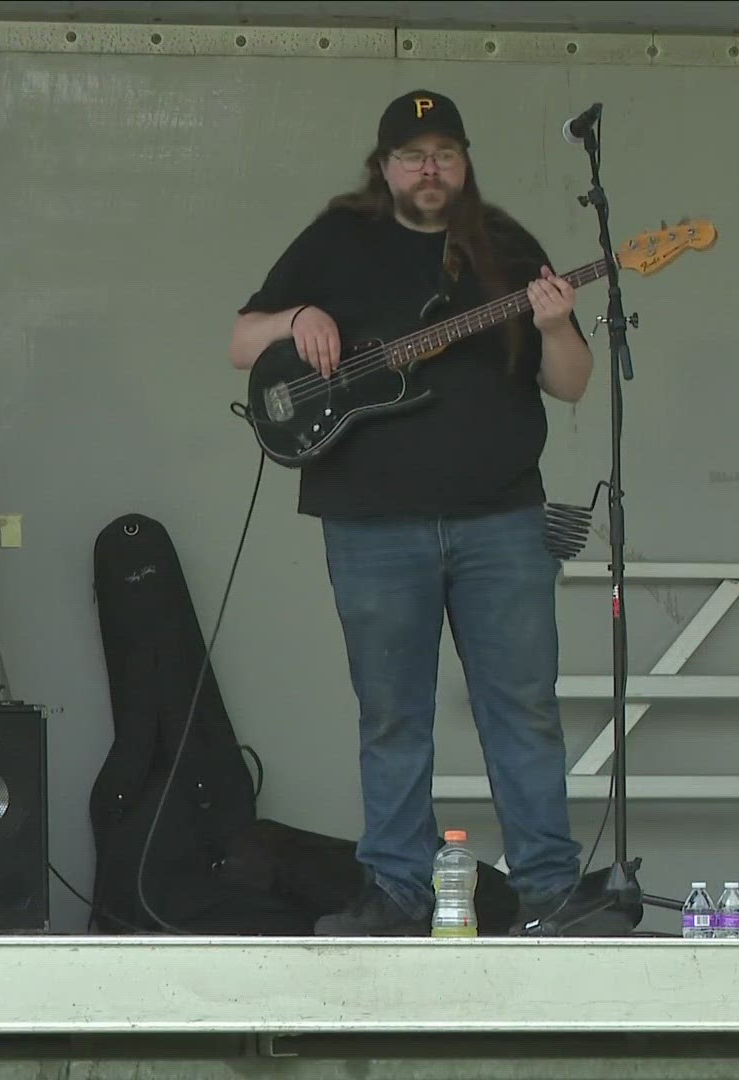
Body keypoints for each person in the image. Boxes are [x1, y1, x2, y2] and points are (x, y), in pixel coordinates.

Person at [228, 89, 592, 935]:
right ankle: (399, 889)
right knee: (393, 713)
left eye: (446, 154)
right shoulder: (336, 240)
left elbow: (568, 383)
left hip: (502, 517)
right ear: (384, 166)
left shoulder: (503, 247)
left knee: (524, 706)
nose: (431, 170)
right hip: (371, 520)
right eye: (412, 156)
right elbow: (244, 342)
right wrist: (299, 316)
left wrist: (561, 325)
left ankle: (549, 888)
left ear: (465, 162)